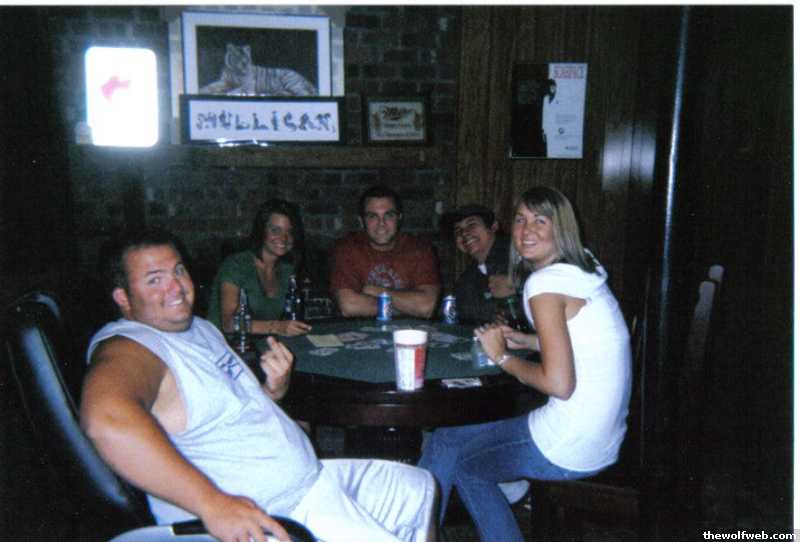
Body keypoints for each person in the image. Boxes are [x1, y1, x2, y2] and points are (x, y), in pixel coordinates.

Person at [80, 228, 436, 542]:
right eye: (154, 279)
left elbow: (220, 413)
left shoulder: (200, 329)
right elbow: (107, 420)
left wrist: (271, 392)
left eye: (178, 270)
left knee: (417, 487)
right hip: (272, 514)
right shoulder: (131, 346)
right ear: (123, 298)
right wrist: (212, 504)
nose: (176, 287)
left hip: (311, 482)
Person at [418, 186, 632, 541]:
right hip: (606, 436)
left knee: (466, 464)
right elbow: (583, 340)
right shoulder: (585, 267)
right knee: (449, 439)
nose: (526, 230)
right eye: (520, 220)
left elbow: (558, 384)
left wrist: (501, 356)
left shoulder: (544, 284)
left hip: (572, 443)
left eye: (540, 221)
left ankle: (415, 533)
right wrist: (527, 340)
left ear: (561, 228)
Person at [330, 185, 441, 318]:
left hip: (409, 329)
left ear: (399, 218)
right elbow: (349, 307)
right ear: (361, 221)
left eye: (389, 215)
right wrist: (408, 307)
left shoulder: (420, 250)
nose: (381, 224)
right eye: (373, 216)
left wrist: (375, 291)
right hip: (359, 328)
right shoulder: (347, 249)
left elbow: (426, 307)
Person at [207, 199, 311, 337]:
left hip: (260, 343)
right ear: (261, 231)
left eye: (289, 232)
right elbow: (229, 324)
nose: (284, 238)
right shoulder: (236, 265)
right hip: (222, 344)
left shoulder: (287, 269)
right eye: (275, 230)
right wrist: (277, 327)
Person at [445, 204, 515, 324]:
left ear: (494, 226)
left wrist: (518, 288)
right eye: (458, 231)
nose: (464, 233)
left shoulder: (518, 259)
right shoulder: (465, 280)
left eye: (471, 225)